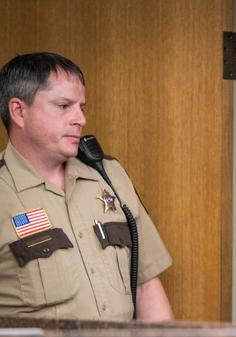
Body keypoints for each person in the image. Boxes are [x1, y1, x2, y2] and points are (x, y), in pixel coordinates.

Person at [0, 52, 173, 321]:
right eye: (63, 106)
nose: (80, 119)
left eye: (82, 107)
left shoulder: (108, 174)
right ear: (19, 111)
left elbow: (146, 287)